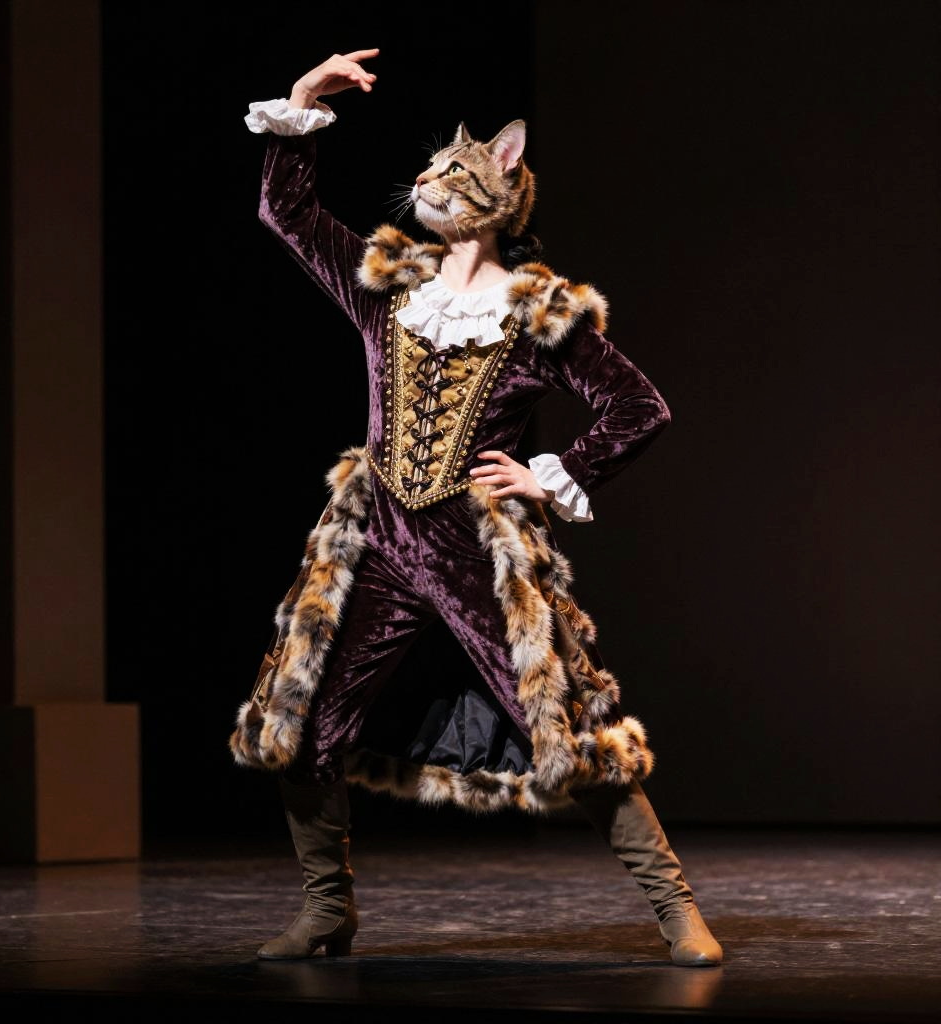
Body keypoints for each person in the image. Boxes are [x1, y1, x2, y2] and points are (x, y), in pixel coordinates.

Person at [230, 47, 723, 968]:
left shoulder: (538, 313)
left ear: (500, 189)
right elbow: (287, 213)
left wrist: (551, 473)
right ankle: (327, 908)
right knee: (297, 711)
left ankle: (676, 909)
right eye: (426, 169)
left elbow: (639, 406)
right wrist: (300, 103)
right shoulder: (390, 286)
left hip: (473, 544)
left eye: (449, 172)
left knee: (564, 717)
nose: (425, 181)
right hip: (375, 536)